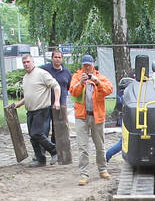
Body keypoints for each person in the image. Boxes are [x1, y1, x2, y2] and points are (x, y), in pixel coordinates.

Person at [69, 55, 114, 186]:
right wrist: (81, 83)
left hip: (97, 116)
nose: (87, 67)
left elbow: (109, 89)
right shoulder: (77, 76)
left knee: (100, 145)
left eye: (89, 65)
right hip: (81, 116)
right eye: (85, 65)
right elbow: (73, 91)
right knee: (82, 147)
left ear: (93, 64)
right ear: (82, 65)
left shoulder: (100, 77)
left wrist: (97, 82)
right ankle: (84, 174)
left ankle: (102, 169)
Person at [12, 53, 60, 167]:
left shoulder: (41, 73)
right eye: (24, 62)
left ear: (33, 62)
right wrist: (18, 104)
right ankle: (40, 159)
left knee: (37, 133)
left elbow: (56, 85)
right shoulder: (25, 77)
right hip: (30, 111)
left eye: (28, 62)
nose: (26, 64)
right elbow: (29, 95)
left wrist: (56, 101)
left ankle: (54, 150)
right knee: (32, 137)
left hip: (42, 109)